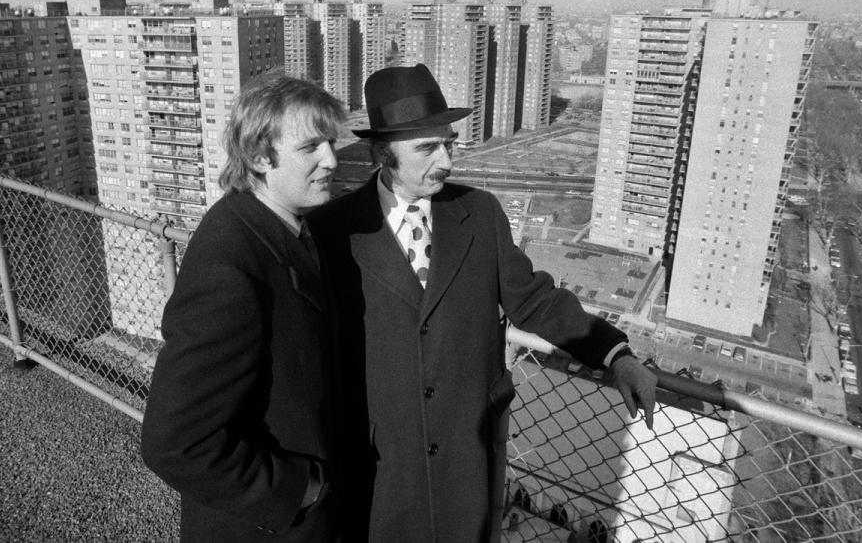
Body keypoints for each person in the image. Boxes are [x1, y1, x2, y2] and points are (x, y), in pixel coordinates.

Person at [309, 64, 658, 543]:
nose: (447, 161)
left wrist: (616, 356)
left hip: (465, 463)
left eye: (449, 143)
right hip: (380, 468)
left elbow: (536, 301)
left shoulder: (482, 214)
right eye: (427, 148)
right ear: (381, 153)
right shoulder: (333, 231)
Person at [141, 71, 346, 542]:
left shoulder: (280, 224)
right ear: (258, 156)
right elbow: (173, 442)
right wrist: (300, 489)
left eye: (331, 143)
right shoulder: (230, 262)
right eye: (310, 147)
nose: (332, 160)